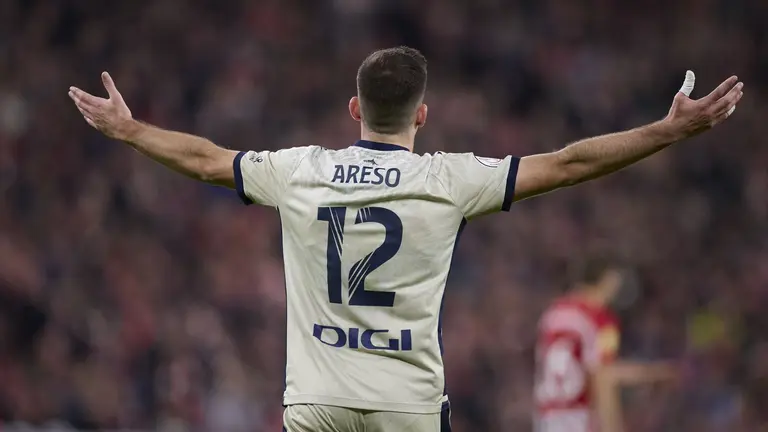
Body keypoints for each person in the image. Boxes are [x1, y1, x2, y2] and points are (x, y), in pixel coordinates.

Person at [68, 46, 743, 432]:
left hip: (318, 405)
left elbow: (206, 160)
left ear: (354, 109)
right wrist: (668, 131)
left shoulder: (300, 170)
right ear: (422, 115)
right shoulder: (449, 180)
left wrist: (129, 129)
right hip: (407, 407)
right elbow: (568, 164)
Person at [534, 256, 677, 432]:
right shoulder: (601, 320)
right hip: (582, 419)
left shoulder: (553, 314)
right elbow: (604, 378)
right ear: (607, 281)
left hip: (549, 419)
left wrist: (647, 373)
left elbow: (582, 366)